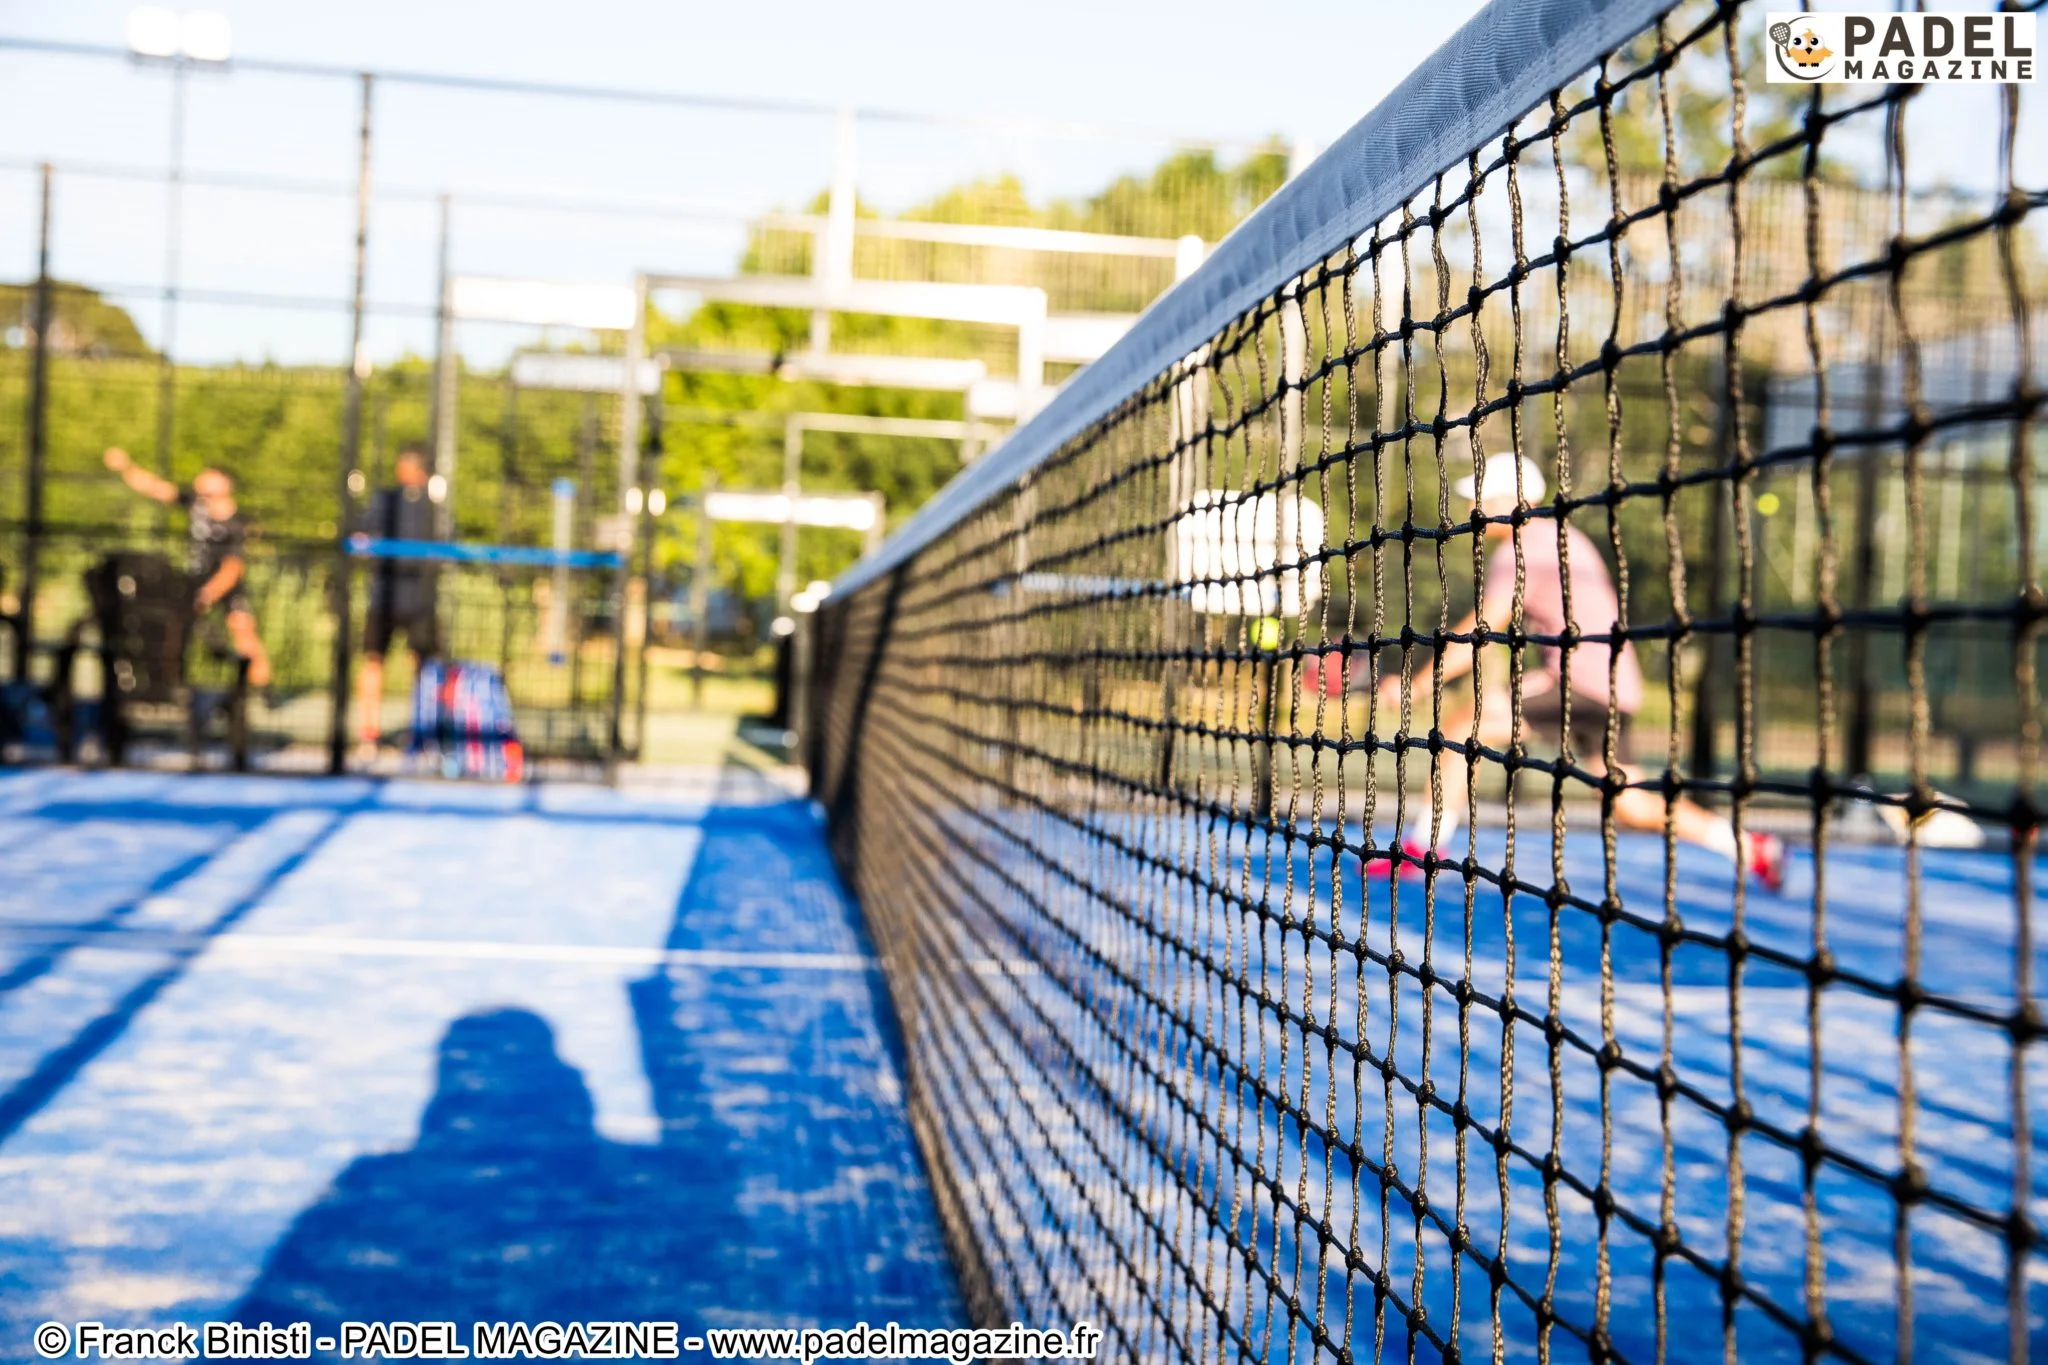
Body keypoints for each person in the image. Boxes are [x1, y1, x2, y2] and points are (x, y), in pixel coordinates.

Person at [1319, 451, 1785, 892]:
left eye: (1480, 494)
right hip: (1613, 687)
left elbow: (1484, 626)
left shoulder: (1524, 546)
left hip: (1577, 684)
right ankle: (1750, 848)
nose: (1471, 505)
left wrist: (1418, 684)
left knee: (1461, 731)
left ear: (1510, 500)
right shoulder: (1560, 536)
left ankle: (1426, 852)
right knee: (1631, 803)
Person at [102, 446, 273, 688]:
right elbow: (156, 488)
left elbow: (233, 568)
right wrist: (126, 467)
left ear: (225, 484)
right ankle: (167, 682)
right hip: (194, 578)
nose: (201, 480)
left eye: (210, 476)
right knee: (172, 628)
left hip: (223, 583)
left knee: (243, 629)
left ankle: (262, 689)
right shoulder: (196, 504)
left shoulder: (236, 523)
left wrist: (209, 594)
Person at [350, 445, 441, 763]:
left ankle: (422, 734)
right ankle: (368, 734)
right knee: (373, 661)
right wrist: (365, 545)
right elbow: (359, 538)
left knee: (422, 665)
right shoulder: (384, 499)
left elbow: (445, 548)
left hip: (420, 599)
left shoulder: (435, 507)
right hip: (384, 596)